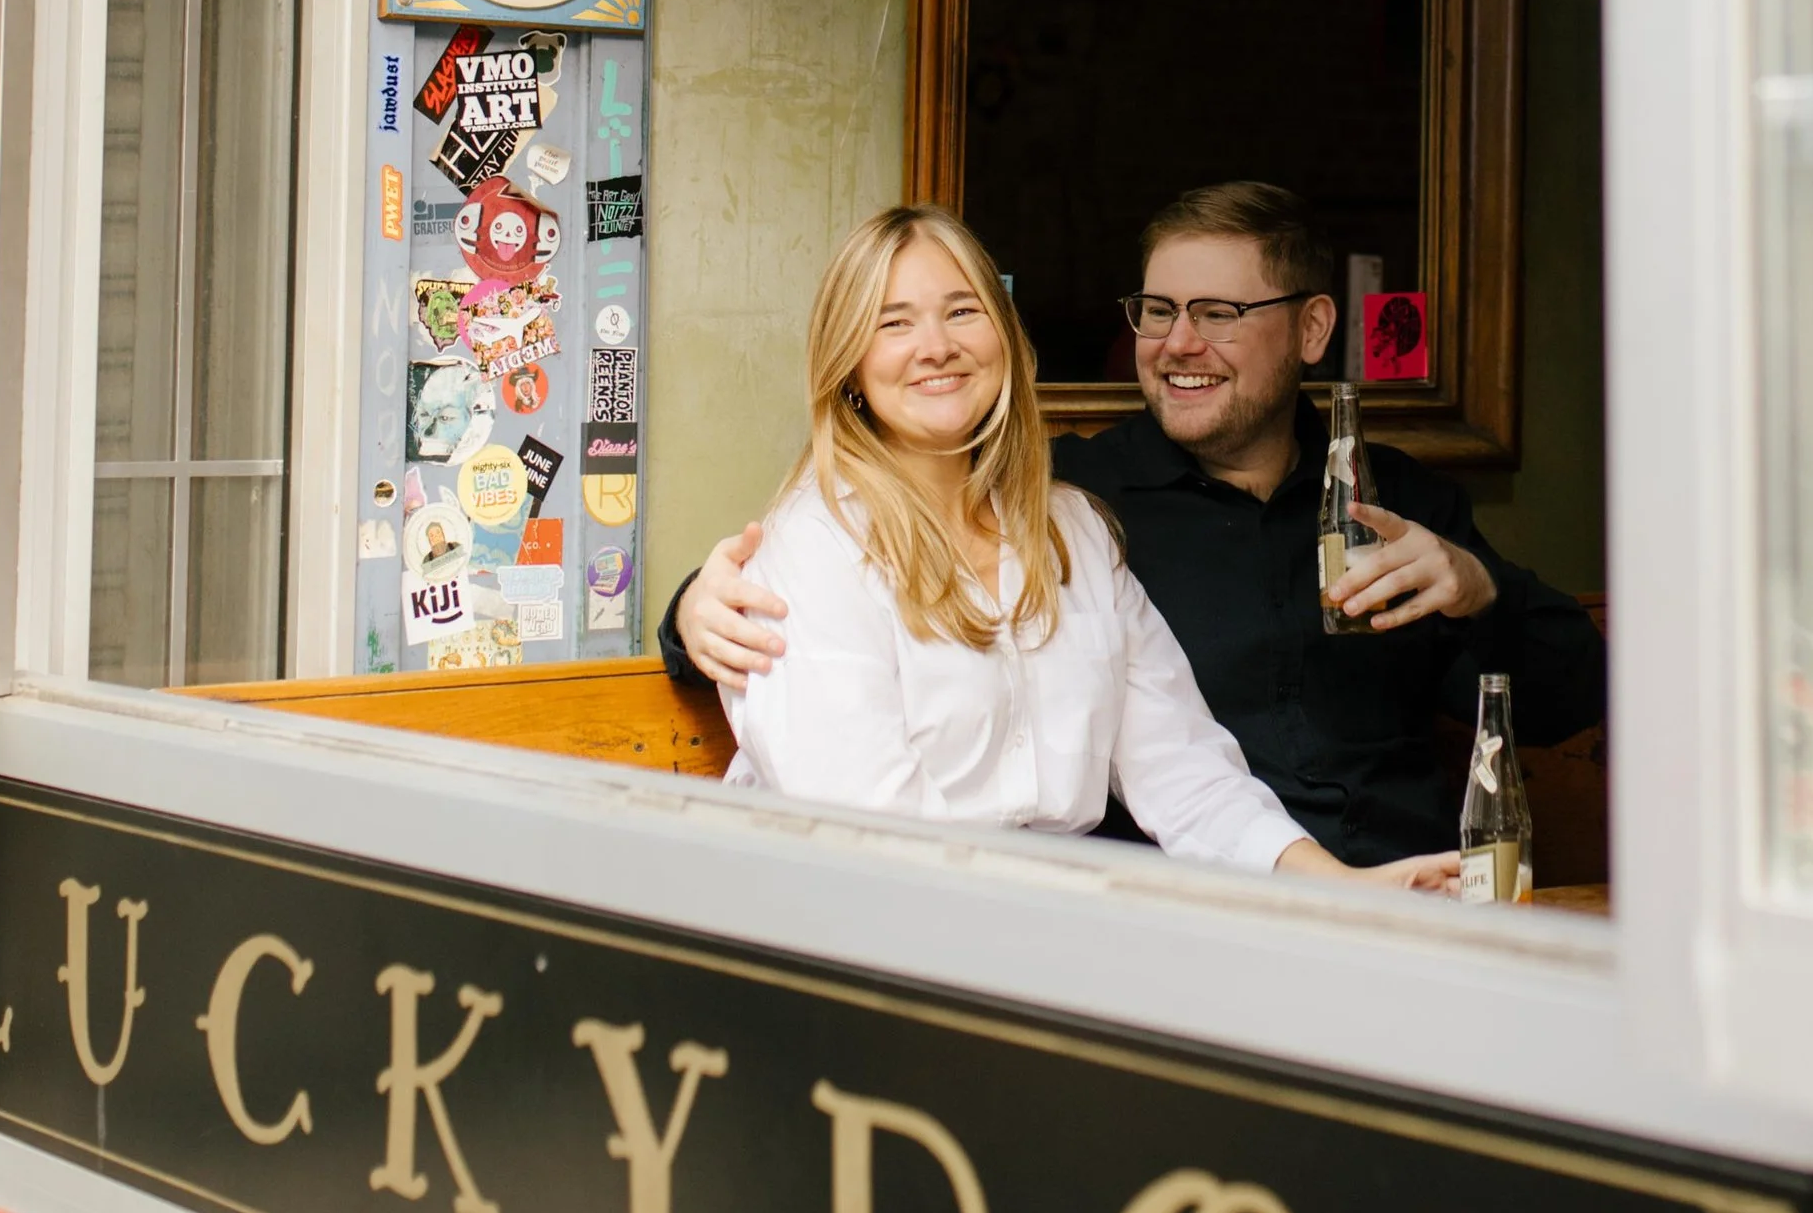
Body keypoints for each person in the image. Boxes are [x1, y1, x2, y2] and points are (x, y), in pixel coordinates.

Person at [668, 180, 1605, 866]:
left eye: (962, 312)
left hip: (1234, 920)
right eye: (1159, 312)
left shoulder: (1070, 526)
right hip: (934, 953)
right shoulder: (838, 543)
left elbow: (1188, 771)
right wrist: (690, 613)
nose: (1179, 343)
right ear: (847, 363)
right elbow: (872, 848)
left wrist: (1346, 898)